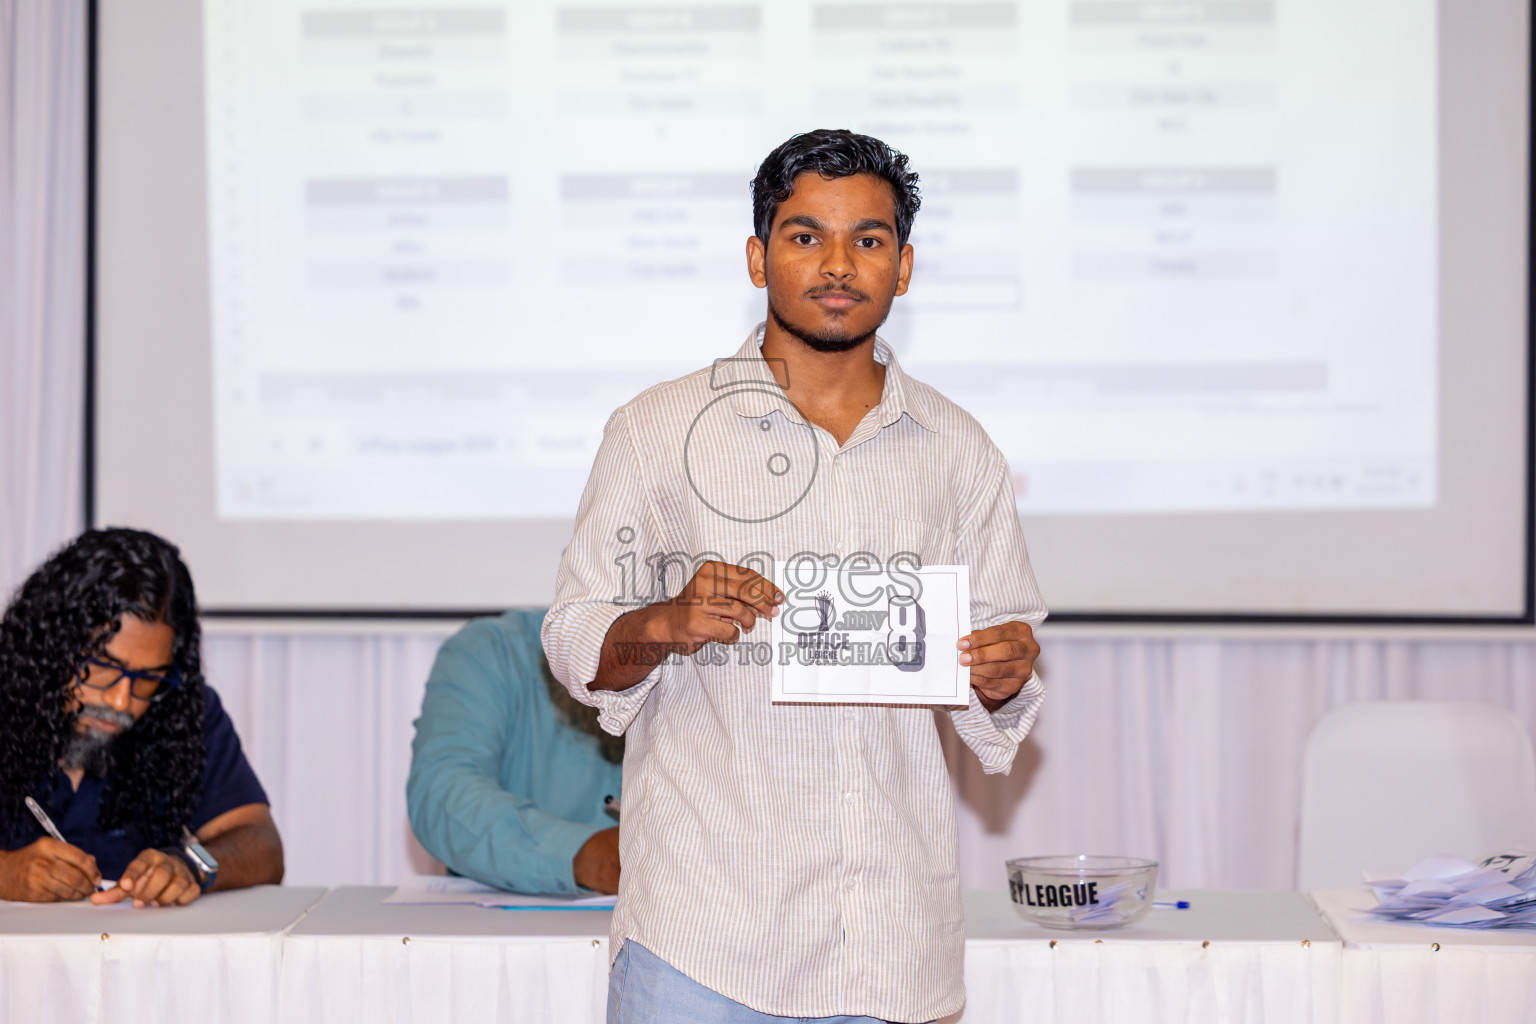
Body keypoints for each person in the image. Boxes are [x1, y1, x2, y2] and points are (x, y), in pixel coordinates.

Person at [542, 129, 1046, 1023]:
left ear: (905, 266)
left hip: (893, 947)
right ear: (756, 255)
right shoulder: (656, 431)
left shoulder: (960, 451)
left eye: (870, 239)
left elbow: (999, 684)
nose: (839, 265)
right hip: (704, 950)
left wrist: (1005, 676)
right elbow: (577, 641)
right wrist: (662, 621)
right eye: (806, 236)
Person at [0, 528, 283, 906]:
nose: (121, 702)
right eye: (103, 667)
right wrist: (6, 873)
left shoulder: (181, 710)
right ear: (53, 645)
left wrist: (192, 864)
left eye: (148, 679)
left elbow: (261, 844)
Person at [407, 608, 623, 894]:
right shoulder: (492, 651)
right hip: (509, 929)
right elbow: (441, 792)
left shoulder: (695, 674)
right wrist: (588, 857)